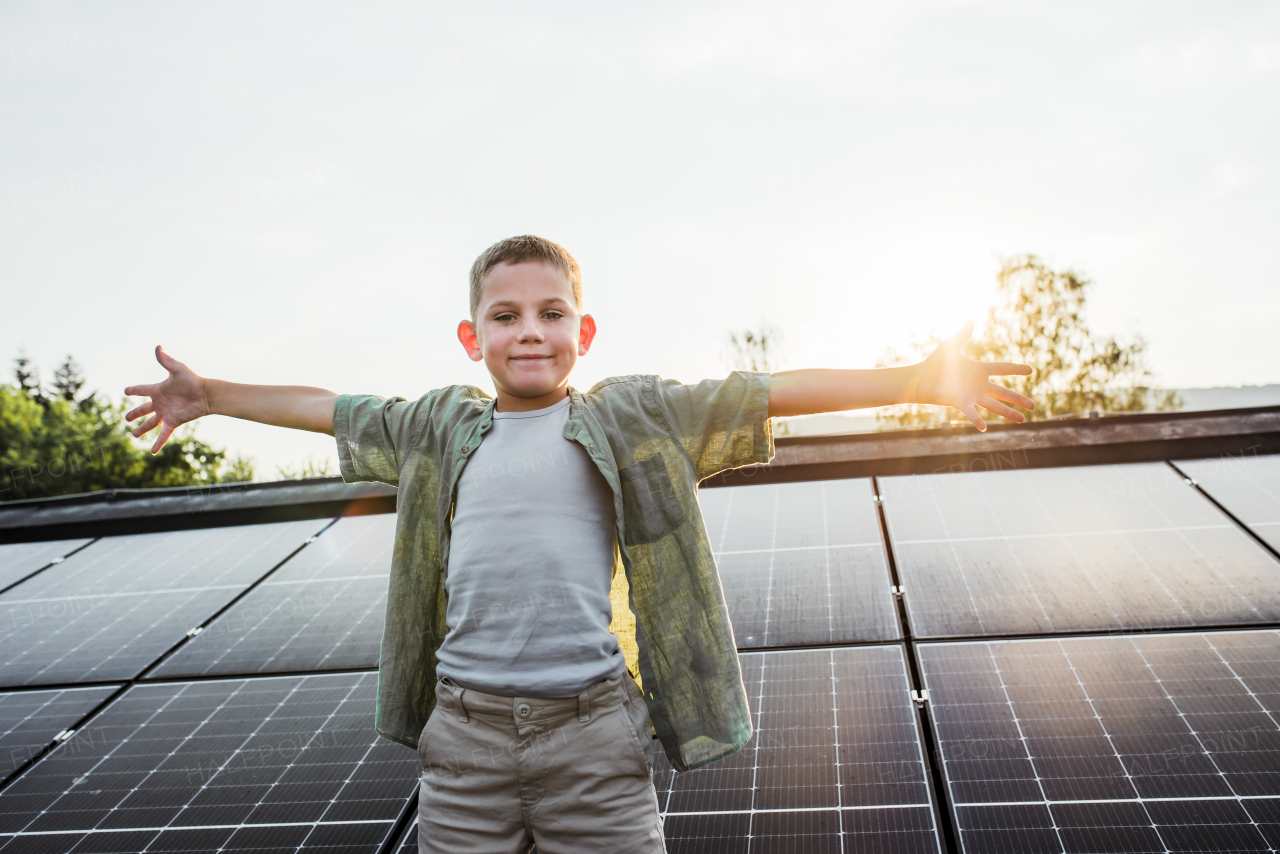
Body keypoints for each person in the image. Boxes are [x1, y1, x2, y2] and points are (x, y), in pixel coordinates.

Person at [125, 234, 1033, 853]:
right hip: (465, 741)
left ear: (583, 332)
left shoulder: (632, 417)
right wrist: (213, 394)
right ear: (471, 336)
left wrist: (913, 377)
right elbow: (326, 407)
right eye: (507, 315)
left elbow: (762, 390)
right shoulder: (437, 428)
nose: (531, 331)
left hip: (595, 735)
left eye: (552, 313)